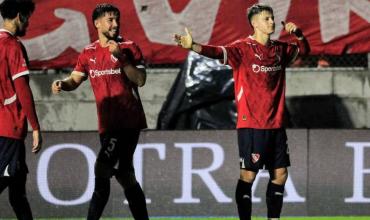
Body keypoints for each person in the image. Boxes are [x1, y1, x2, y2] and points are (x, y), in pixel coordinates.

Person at [174, 3, 310, 220]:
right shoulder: (243, 48)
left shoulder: (279, 49)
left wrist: (299, 35)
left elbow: (303, 51)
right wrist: (194, 46)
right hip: (252, 125)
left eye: (272, 18)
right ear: (254, 23)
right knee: (248, 175)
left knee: (281, 175)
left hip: (275, 125)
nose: (272, 22)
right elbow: (217, 52)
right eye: (266, 18)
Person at [51, 3, 149, 220]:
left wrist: (121, 57)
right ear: (97, 23)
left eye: (117, 19)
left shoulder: (129, 47)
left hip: (127, 123)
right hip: (106, 124)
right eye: (110, 20)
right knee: (125, 175)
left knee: (101, 168)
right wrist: (62, 84)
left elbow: (140, 80)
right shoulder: (88, 53)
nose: (115, 23)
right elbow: (75, 79)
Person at [0, 0, 42, 219]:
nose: (28, 22)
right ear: (19, 16)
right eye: (28, 16)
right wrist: (35, 126)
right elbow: (22, 90)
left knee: (18, 192)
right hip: (9, 128)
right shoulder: (12, 46)